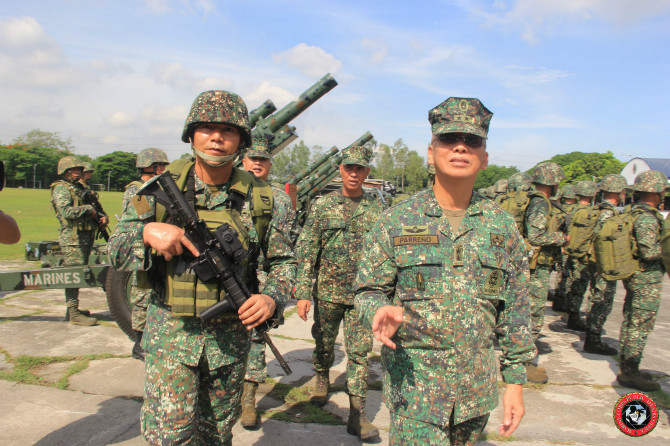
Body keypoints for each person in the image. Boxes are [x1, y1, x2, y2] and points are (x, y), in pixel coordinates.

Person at [107, 90, 295, 445]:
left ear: (241, 140)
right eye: (206, 127)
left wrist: (271, 298)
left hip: (228, 344)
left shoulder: (266, 200)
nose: (217, 137)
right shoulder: (155, 191)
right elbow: (115, 253)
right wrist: (146, 232)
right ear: (191, 134)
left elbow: (287, 263)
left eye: (228, 130)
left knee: (216, 436)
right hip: (170, 337)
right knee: (168, 438)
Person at [354, 97, 535, 444]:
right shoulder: (397, 219)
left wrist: (515, 383)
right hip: (415, 392)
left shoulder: (502, 226)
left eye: (473, 141)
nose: (461, 147)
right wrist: (378, 309)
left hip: (475, 395)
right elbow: (367, 290)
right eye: (449, 139)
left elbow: (516, 312)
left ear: (484, 158)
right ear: (431, 152)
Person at [294, 144, 385, 440]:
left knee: (360, 353)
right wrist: (304, 292)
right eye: (349, 167)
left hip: (362, 295)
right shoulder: (323, 206)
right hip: (329, 292)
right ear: (341, 170)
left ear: (367, 172)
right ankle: (322, 376)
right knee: (324, 340)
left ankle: (357, 414)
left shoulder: (377, 209)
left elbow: (385, 254)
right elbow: (308, 249)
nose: (354, 173)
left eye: (360, 168)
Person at [238, 137, 298, 429]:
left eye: (264, 159)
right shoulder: (229, 191)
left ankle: (248, 400)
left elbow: (287, 245)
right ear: (243, 160)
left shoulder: (279, 198)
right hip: (226, 277)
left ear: (270, 163)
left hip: (260, 280)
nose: (258, 163)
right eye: (253, 158)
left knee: (255, 336)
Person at [617, 169, 668, 391]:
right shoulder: (647, 218)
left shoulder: (634, 213)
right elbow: (649, 252)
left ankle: (628, 366)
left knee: (631, 321)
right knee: (639, 324)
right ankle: (630, 371)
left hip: (637, 276)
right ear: (656, 192)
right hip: (646, 278)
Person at [120, 147, 170, 361]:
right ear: (150, 166)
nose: (163, 168)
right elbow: (143, 219)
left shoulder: (154, 187)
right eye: (160, 165)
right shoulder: (138, 190)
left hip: (155, 248)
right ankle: (139, 343)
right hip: (142, 249)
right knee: (142, 296)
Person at [523, 162, 567, 384]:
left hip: (534, 265)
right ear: (553, 182)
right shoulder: (540, 204)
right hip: (535, 267)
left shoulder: (537, 201)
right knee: (533, 315)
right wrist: (561, 238)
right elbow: (536, 236)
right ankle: (526, 365)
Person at [51, 155, 108, 326]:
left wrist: (102, 217)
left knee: (78, 272)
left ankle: (73, 309)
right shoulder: (61, 189)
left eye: (79, 170)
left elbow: (96, 208)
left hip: (86, 235)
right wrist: (87, 209)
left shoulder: (80, 188)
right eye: (73, 170)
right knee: (73, 275)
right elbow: (67, 212)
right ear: (65, 172)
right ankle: (73, 312)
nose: (77, 173)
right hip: (72, 238)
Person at [582, 174, 627, 356]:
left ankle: (592, 337)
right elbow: (603, 241)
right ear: (619, 193)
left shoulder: (598, 210)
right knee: (602, 302)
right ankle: (593, 340)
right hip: (603, 264)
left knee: (597, 299)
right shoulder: (608, 213)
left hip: (596, 262)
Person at [563, 180, 599, 331]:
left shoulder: (571, 211)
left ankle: (570, 311)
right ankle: (574, 317)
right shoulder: (593, 214)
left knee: (572, 282)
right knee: (581, 285)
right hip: (584, 254)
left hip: (571, 250)